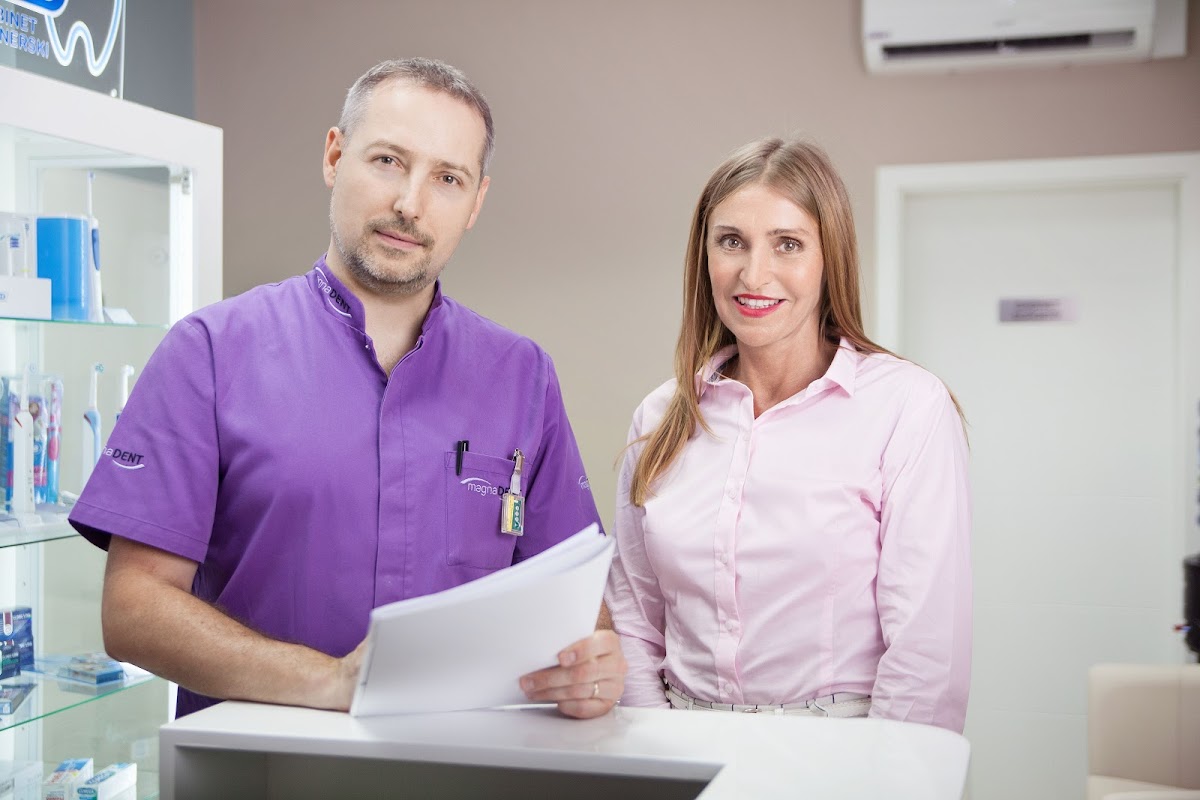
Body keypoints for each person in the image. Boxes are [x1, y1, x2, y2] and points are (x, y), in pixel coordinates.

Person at [69, 57, 625, 720]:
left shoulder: (522, 375)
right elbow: (134, 610)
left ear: (476, 202)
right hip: (262, 777)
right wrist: (329, 682)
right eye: (388, 160)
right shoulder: (210, 353)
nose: (409, 204)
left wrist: (592, 671)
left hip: (465, 773)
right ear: (335, 156)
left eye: (447, 178)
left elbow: (581, 617)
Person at [604, 138, 971, 732]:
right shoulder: (660, 417)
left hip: (840, 754)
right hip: (681, 747)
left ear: (831, 259)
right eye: (731, 242)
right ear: (704, 256)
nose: (754, 274)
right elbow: (633, 619)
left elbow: (927, 652)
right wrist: (653, 750)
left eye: (788, 244)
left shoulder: (906, 406)